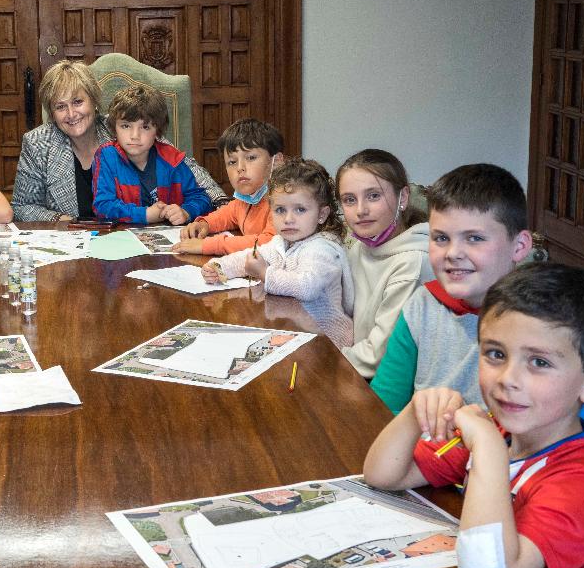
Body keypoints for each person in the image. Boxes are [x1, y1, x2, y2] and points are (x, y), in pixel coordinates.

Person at [362, 263, 584, 568]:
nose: (507, 379)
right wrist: (416, 410)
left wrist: (487, 448)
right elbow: (382, 475)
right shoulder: (498, 431)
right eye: (495, 354)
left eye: (539, 363)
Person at [370, 164, 532, 413]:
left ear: (519, 246)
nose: (453, 253)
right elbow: (381, 409)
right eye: (441, 238)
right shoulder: (423, 304)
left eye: (474, 238)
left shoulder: (545, 325)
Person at [11, 60, 224, 221]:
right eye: (60, 106)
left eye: (77, 102)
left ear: (94, 101)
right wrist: (58, 219)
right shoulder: (37, 143)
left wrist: (221, 206)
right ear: (52, 112)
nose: (71, 114)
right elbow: (22, 206)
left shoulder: (123, 127)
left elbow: (187, 171)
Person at [203, 159, 354, 349]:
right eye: (280, 210)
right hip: (295, 332)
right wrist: (220, 267)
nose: (288, 219)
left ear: (321, 214)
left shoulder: (322, 249)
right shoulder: (282, 242)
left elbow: (307, 287)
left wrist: (266, 274)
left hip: (327, 343)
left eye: (300, 209)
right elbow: (252, 257)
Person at [335, 149, 434, 378]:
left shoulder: (414, 261)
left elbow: (378, 356)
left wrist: (324, 360)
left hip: (380, 384)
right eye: (350, 200)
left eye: (373, 196)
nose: (361, 210)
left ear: (404, 198)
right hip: (352, 365)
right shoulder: (359, 245)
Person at [91, 84, 213, 225]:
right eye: (126, 126)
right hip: (123, 237)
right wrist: (144, 215)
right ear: (114, 128)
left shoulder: (172, 159)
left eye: (145, 127)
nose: (135, 136)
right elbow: (102, 206)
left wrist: (186, 212)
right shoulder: (106, 156)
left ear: (157, 131)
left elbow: (201, 198)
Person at [173, 118, 282, 255]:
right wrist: (204, 224)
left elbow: (269, 243)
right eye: (232, 162)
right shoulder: (246, 199)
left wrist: (208, 245)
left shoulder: (283, 202)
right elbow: (228, 214)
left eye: (251, 158)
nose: (240, 168)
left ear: (276, 162)